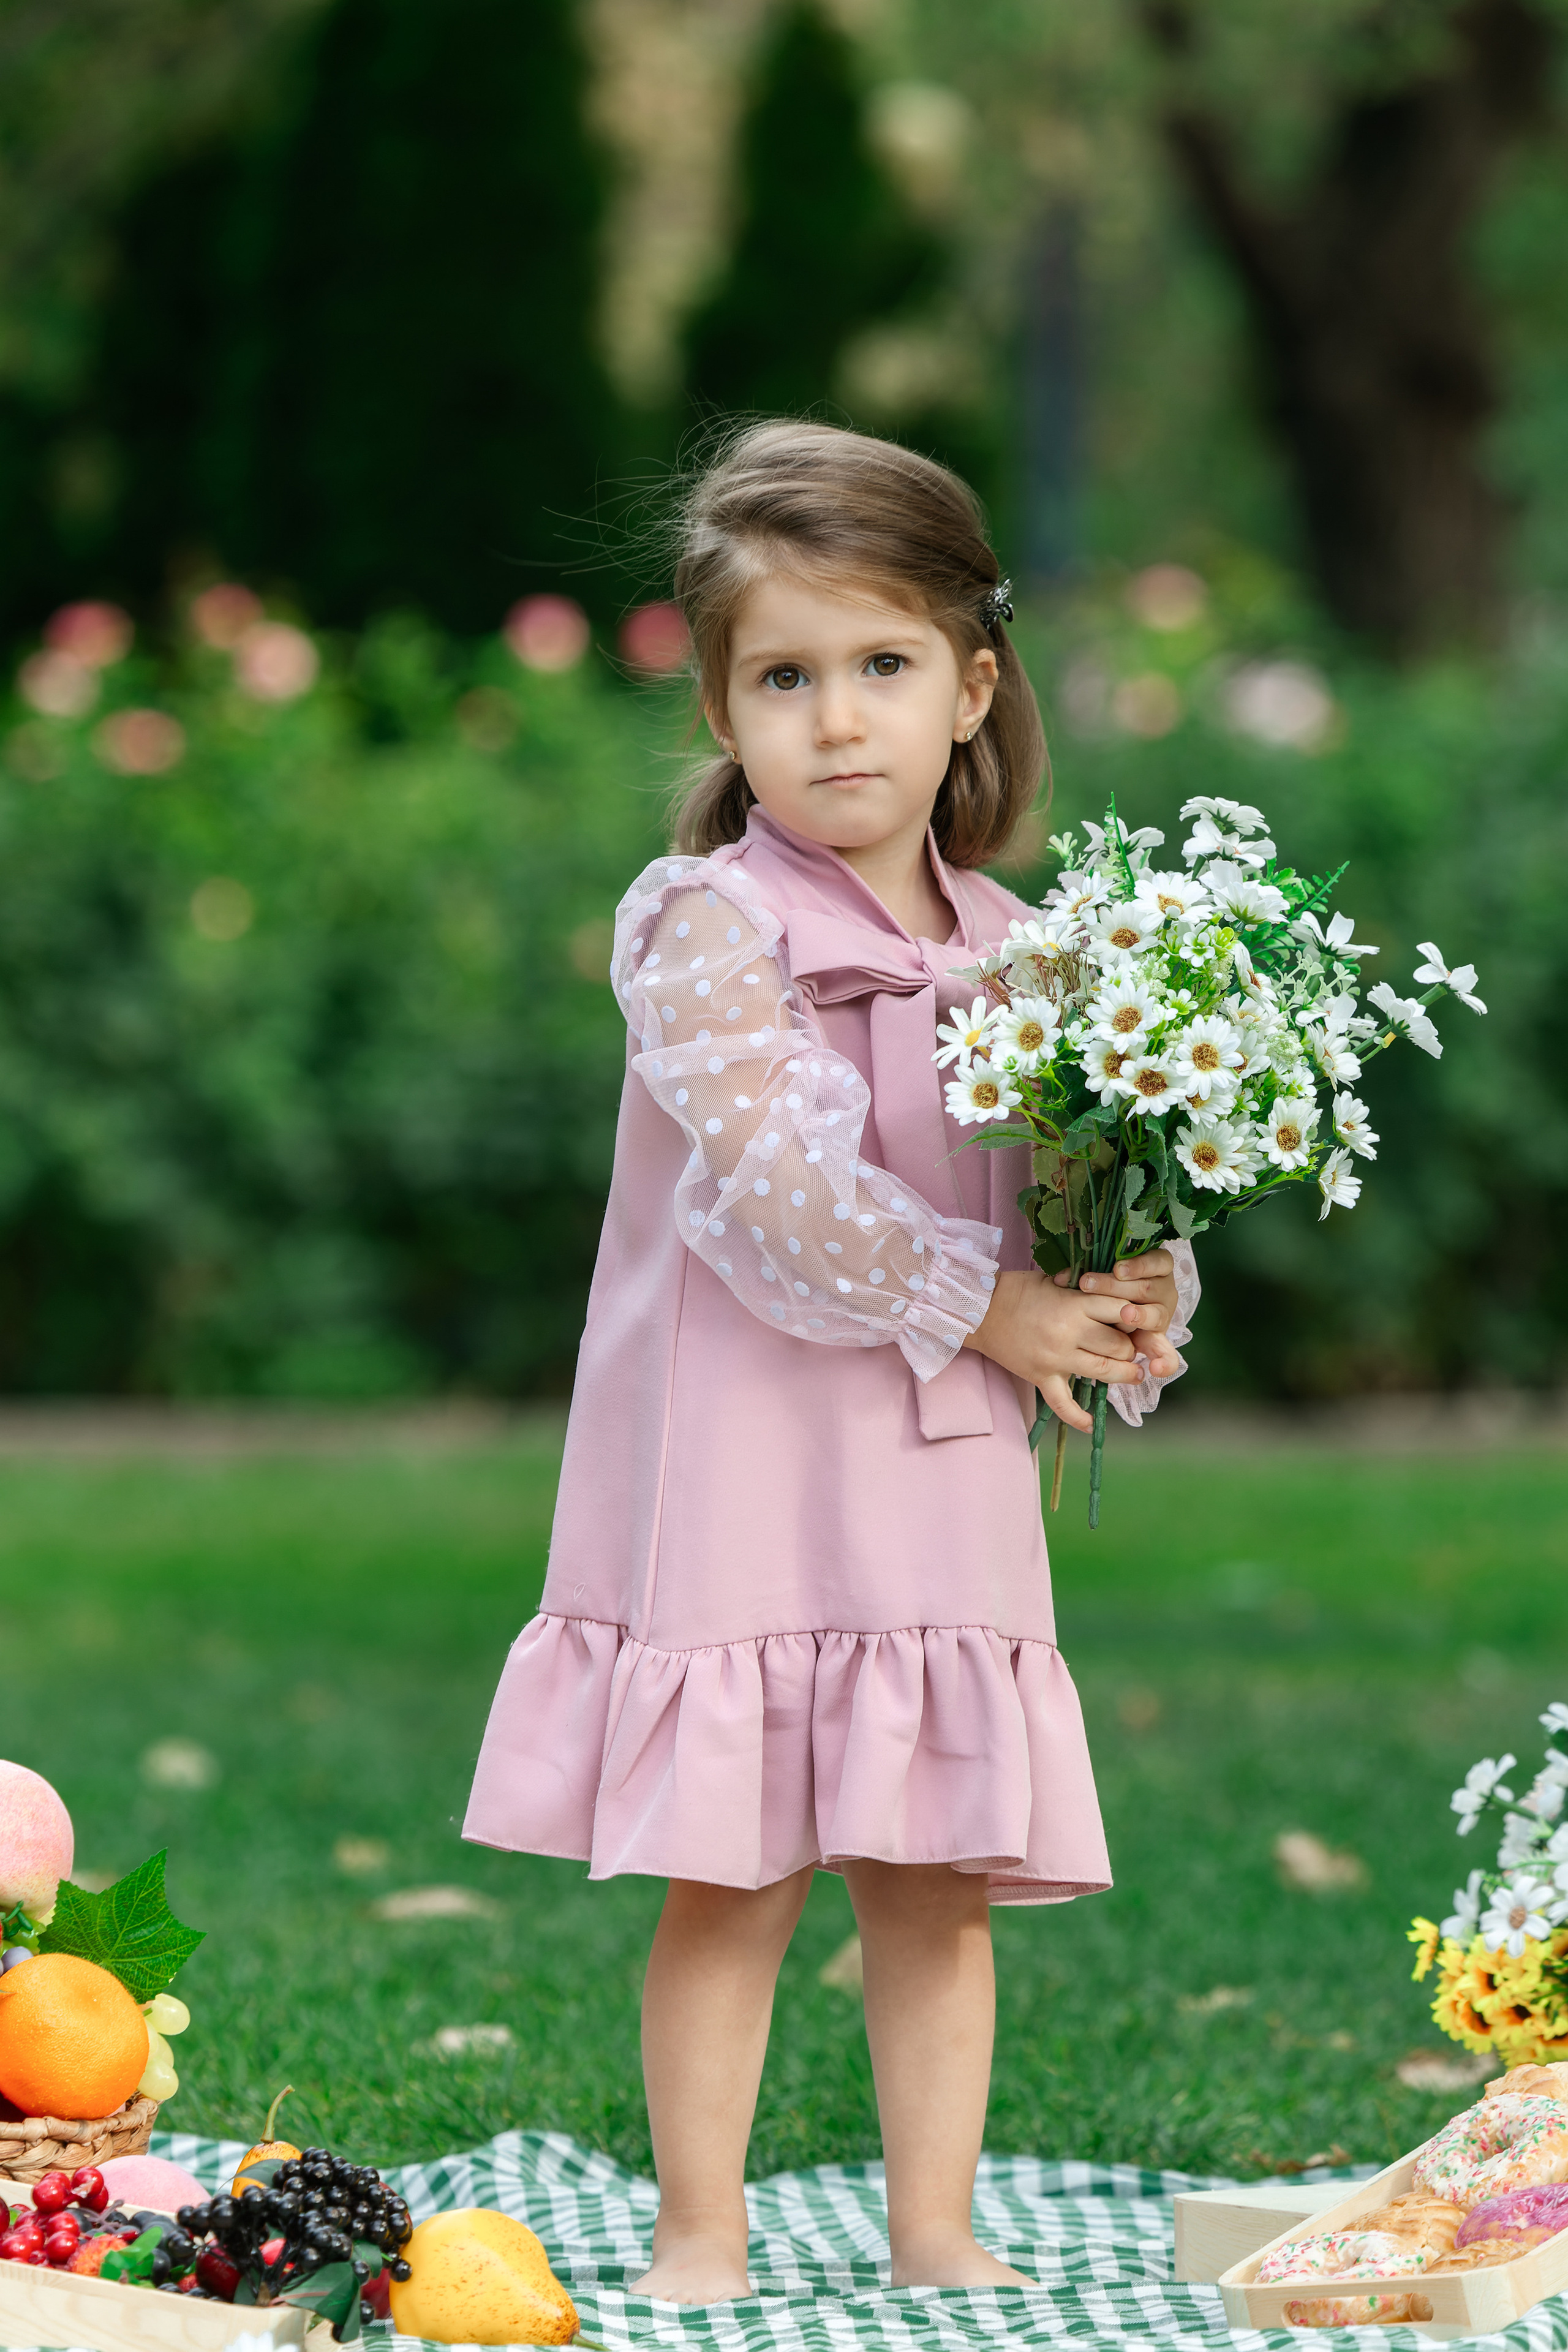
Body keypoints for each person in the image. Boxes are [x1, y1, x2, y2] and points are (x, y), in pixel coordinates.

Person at [464, 421, 1199, 2304]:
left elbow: (1082, 1194)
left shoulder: (1038, 954)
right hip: (750, 1463)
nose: (838, 721)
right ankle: (701, 2224)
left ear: (972, 687)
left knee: (934, 1878)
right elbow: (787, 1186)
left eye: (882, 668)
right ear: (723, 705)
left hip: (937, 1464)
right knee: (747, 1869)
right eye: (784, 679)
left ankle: (933, 2227)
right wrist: (997, 1308)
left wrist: (1122, 1294)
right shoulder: (708, 923)